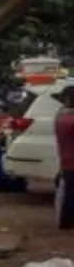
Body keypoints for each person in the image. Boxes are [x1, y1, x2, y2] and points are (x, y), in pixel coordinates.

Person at [57, 87, 74, 229]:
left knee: (69, 191)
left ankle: (66, 221)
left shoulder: (61, 116)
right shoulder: (70, 119)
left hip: (66, 160)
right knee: (70, 193)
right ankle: (67, 222)